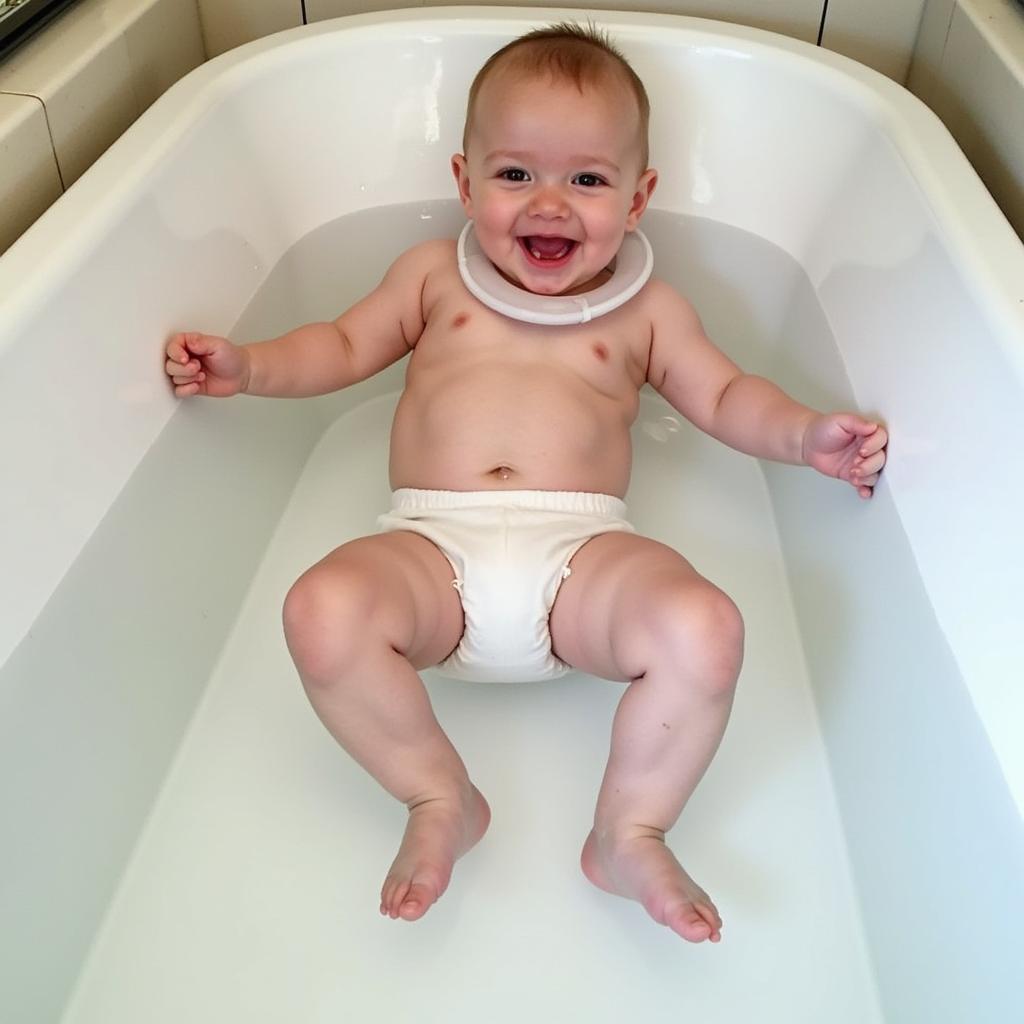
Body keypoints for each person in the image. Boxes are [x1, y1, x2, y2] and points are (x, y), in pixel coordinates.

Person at [164, 23, 887, 943]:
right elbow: (342, 346)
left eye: (587, 179)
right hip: (429, 549)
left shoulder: (647, 311)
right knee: (321, 609)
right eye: (515, 176)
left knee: (706, 630)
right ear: (464, 182)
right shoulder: (431, 279)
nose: (550, 203)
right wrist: (250, 366)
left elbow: (727, 396)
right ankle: (439, 795)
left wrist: (804, 436)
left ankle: (628, 830)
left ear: (639, 198)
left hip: (583, 559)